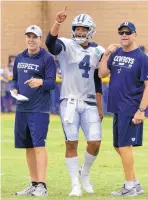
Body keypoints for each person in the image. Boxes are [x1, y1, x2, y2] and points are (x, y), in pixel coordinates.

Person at [46, 7, 105, 196]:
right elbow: (50, 44)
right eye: (77, 28)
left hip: (89, 102)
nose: (80, 32)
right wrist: (57, 23)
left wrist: (100, 106)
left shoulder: (98, 50)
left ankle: (84, 174)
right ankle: (75, 184)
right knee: (71, 142)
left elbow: (97, 81)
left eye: (83, 29)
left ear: (90, 30)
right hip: (69, 101)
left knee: (95, 142)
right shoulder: (65, 45)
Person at [99, 21, 148, 197]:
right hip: (117, 107)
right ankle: (135, 183)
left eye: (127, 32)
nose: (124, 35)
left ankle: (129, 186)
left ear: (134, 34)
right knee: (118, 146)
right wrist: (106, 54)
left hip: (130, 108)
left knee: (124, 146)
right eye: (121, 32)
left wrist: (141, 110)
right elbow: (102, 74)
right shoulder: (116, 54)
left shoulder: (141, 57)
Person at [11, 25, 56, 197]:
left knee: (39, 145)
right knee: (27, 147)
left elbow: (52, 83)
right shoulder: (20, 57)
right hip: (22, 108)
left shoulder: (47, 58)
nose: (31, 39)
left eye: (34, 37)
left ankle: (42, 186)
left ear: (40, 39)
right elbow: (15, 79)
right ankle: (33, 183)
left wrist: (40, 82)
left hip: (39, 110)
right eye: (28, 36)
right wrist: (14, 89)